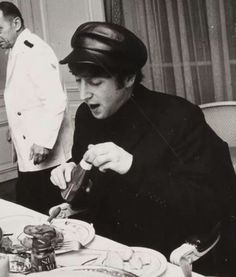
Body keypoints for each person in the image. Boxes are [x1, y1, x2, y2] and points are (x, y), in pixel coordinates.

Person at [50, 21, 236, 275]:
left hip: (161, 256)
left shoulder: (180, 116)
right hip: (101, 250)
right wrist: (72, 177)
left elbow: (211, 205)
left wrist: (132, 167)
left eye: (94, 83)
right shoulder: (86, 115)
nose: (83, 94)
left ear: (128, 78)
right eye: (79, 81)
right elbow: (87, 194)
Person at [0, 1, 72, 214]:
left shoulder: (34, 50)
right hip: (31, 151)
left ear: (16, 23)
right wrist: (14, 127)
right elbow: (26, 98)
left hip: (46, 153)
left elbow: (55, 99)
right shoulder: (16, 49)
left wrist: (43, 141)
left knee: (47, 212)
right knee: (30, 208)